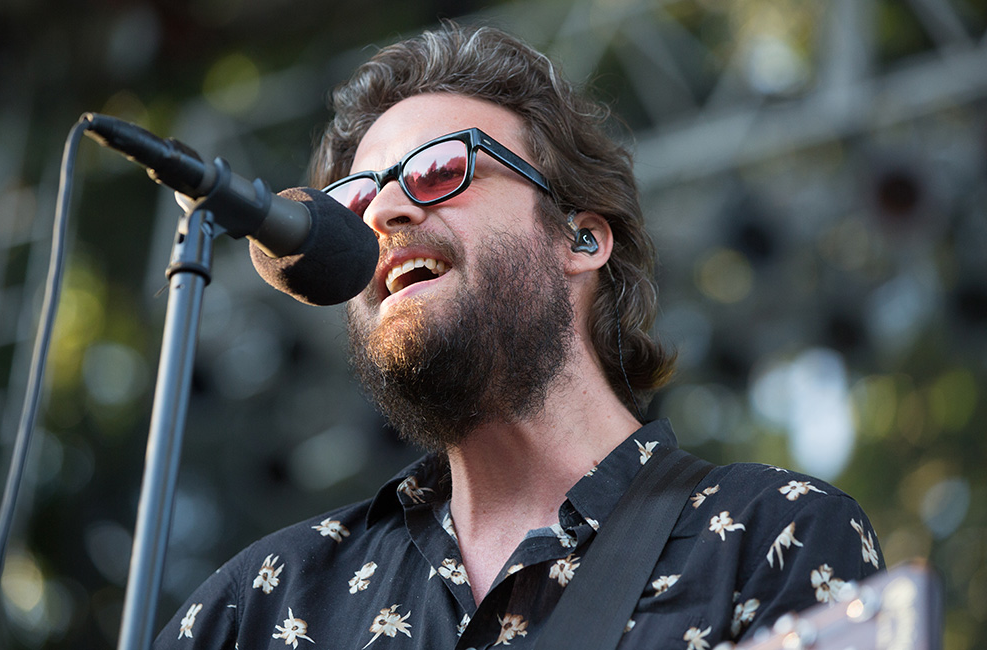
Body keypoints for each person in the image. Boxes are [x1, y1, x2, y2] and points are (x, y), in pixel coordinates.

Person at [154, 22, 882, 649]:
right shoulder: (263, 605)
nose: (382, 214)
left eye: (439, 168)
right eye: (356, 201)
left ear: (581, 238)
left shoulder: (771, 538)